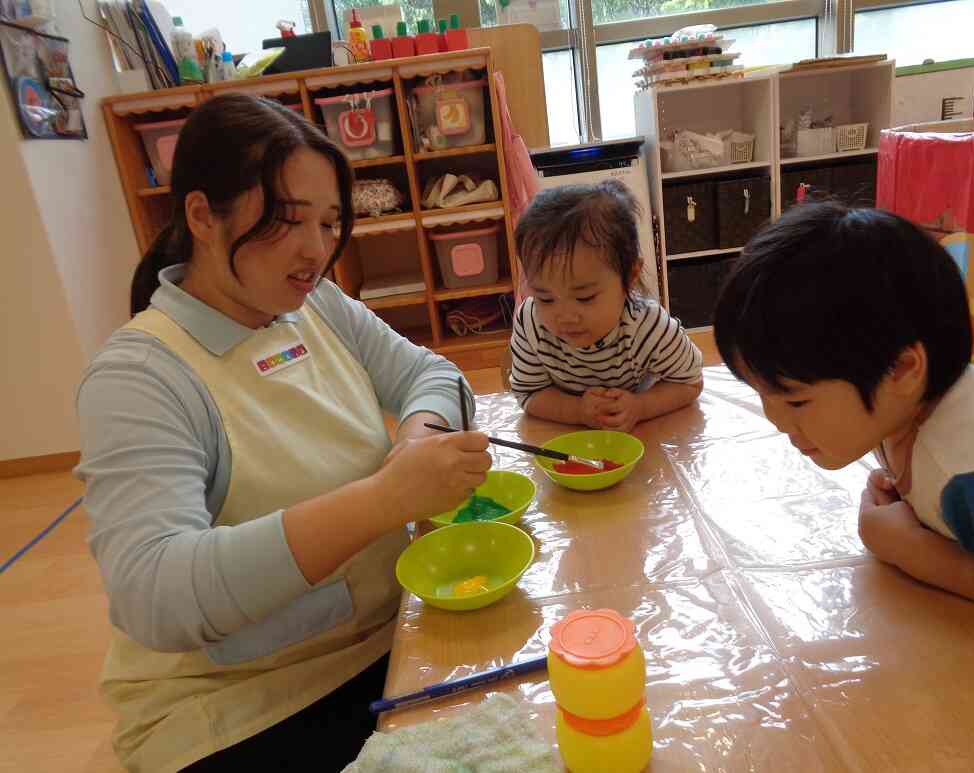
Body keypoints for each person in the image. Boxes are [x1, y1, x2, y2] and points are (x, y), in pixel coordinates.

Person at [74, 93, 492, 772]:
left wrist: (419, 435)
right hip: (236, 707)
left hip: (382, 641)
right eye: (286, 221)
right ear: (202, 215)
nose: (317, 249)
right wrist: (384, 499)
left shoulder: (313, 305)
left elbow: (432, 374)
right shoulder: (140, 376)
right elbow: (154, 592)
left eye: (329, 223)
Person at [713, 201, 974, 620]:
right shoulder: (905, 409)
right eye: (759, 392)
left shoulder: (971, 474)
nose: (775, 419)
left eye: (795, 400)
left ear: (901, 368)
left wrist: (914, 552)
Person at [508, 180, 704, 432]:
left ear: (629, 278)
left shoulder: (648, 326)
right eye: (545, 298)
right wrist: (578, 411)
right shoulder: (531, 322)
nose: (565, 316)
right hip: (563, 440)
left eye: (585, 297)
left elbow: (690, 382)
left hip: (637, 437)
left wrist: (641, 407)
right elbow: (529, 393)